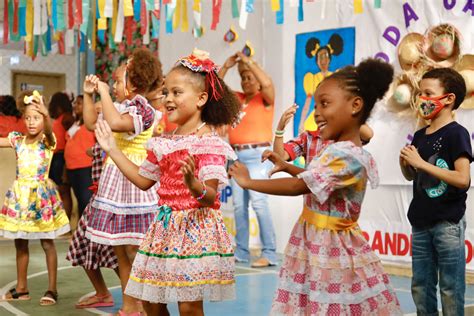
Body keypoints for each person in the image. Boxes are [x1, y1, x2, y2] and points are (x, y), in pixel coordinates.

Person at [229, 59, 403, 314]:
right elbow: (316, 177)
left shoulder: (350, 156)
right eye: (317, 104)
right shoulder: (335, 151)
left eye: (325, 103)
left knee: (332, 303)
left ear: (355, 106)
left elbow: (302, 186)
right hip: (312, 239)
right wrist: (287, 165)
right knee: (311, 302)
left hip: (332, 248)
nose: (317, 113)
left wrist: (248, 182)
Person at [94, 49, 241, 316]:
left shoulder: (207, 141)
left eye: (176, 92)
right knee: (151, 301)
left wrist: (192, 184)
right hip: (164, 228)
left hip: (195, 230)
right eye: (166, 92)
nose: (168, 99)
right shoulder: (164, 143)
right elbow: (142, 180)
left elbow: (210, 197)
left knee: (188, 306)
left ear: (201, 99)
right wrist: (112, 150)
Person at [83, 47, 162, 315]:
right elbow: (93, 122)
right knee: (120, 249)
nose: (114, 86)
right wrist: (89, 94)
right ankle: (130, 306)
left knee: (136, 250)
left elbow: (116, 123)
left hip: (135, 177)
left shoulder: (144, 109)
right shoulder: (123, 105)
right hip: (116, 179)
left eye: (118, 81)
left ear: (134, 85)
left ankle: (148, 303)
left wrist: (103, 91)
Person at [399, 68, 472, 316]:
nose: (422, 99)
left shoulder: (457, 134)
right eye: (420, 93)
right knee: (421, 286)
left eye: (428, 93)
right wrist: (407, 165)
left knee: (451, 287)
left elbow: (462, 179)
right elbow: (414, 176)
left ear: (449, 99)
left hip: (447, 223)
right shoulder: (420, 135)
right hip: (420, 222)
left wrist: (421, 163)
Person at [0, 91, 70, 306]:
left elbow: (49, 130)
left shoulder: (47, 141)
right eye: (28, 117)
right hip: (20, 198)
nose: (31, 122)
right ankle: (22, 289)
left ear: (44, 118)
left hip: (40, 199)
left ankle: (52, 289)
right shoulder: (17, 140)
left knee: (47, 243)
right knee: (20, 243)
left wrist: (45, 115)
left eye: (37, 117)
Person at [219, 51, 278, 268]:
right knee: (238, 207)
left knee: (260, 204)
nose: (245, 81)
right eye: (242, 77)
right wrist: (226, 65)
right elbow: (214, 89)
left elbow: (267, 82)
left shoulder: (266, 99)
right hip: (236, 156)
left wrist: (248, 62)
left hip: (258, 156)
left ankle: (270, 253)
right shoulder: (238, 99)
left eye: (249, 77)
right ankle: (241, 252)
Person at [67, 101, 119, 309]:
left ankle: (135, 300)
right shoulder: (100, 145)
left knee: (119, 254)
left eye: (101, 113)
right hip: (97, 203)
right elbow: (93, 151)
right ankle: (102, 293)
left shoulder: (117, 144)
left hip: (114, 204)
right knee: (81, 246)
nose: (97, 118)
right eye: (96, 114)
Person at [273, 105, 374, 167]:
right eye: (316, 108)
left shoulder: (346, 133)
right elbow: (280, 157)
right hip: (312, 201)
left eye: (325, 106)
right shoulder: (308, 137)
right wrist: (280, 129)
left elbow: (368, 134)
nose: (317, 113)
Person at [64, 95, 95, 217]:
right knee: (79, 200)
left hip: (85, 167)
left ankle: (85, 232)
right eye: (75, 103)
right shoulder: (75, 123)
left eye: (79, 103)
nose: (75, 105)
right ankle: (80, 231)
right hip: (72, 168)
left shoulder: (93, 123)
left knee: (85, 201)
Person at [48, 92, 75, 219]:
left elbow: (72, 139)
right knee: (58, 191)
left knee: (64, 191)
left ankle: (66, 224)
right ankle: (60, 222)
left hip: (61, 157)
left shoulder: (67, 117)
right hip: (55, 157)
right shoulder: (60, 119)